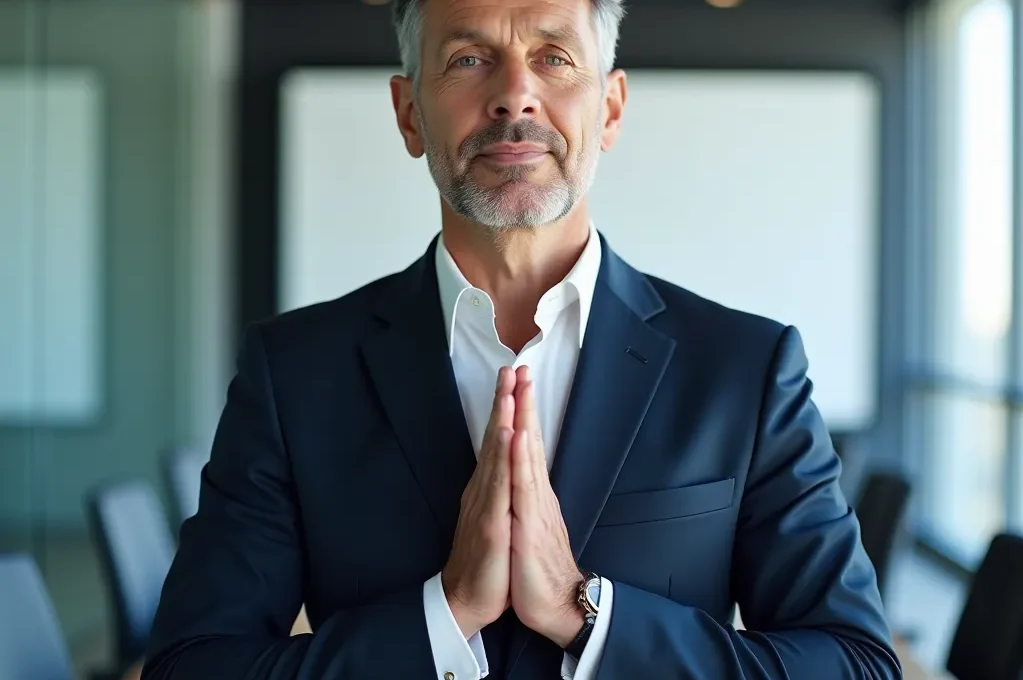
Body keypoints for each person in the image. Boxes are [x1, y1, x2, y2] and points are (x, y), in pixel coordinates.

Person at [141, 0, 902, 677]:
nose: (514, 94)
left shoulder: (745, 371)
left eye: (553, 57)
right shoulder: (293, 374)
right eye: (469, 59)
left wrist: (586, 615)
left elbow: (854, 661)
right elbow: (191, 663)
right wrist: (443, 614)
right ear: (410, 114)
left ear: (609, 108)